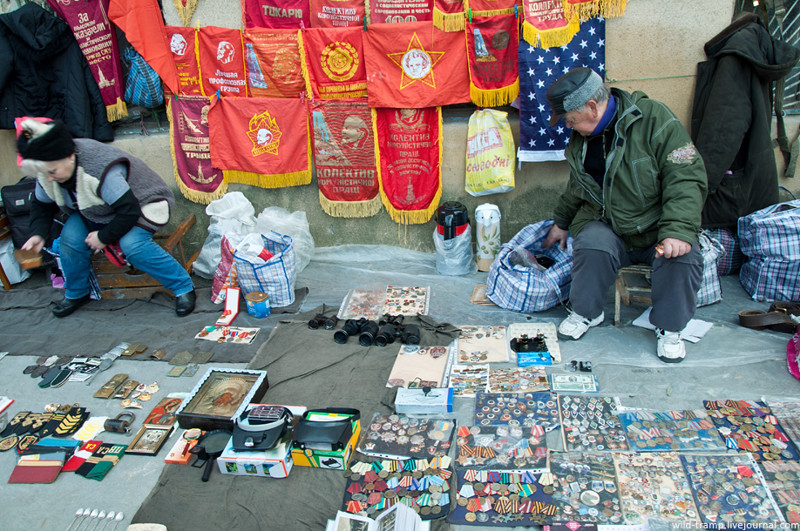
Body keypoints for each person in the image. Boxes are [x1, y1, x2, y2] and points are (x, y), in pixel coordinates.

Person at [543, 68, 707, 363]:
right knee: (591, 241)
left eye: (570, 120)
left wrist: (678, 230)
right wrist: (562, 222)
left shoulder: (654, 120)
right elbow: (577, 188)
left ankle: (670, 328)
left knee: (683, 255)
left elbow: (685, 177)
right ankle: (587, 313)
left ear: (592, 107)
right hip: (611, 227)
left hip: (658, 228)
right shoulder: (583, 139)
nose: (569, 127)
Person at [17, 118, 196, 318]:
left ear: (69, 156)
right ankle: (77, 293)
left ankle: (182, 286)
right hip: (96, 208)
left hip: (143, 202)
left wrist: (103, 237)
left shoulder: (99, 169)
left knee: (133, 245)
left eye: (52, 172)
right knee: (70, 240)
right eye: (44, 174)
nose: (48, 178)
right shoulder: (47, 171)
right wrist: (37, 234)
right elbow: (42, 205)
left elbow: (129, 211)